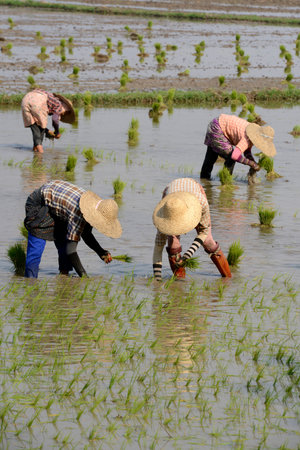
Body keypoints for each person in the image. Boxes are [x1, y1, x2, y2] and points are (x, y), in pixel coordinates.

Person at [24, 180, 122, 278]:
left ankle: (63, 278)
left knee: (63, 244)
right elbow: (71, 251)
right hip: (39, 203)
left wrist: (101, 252)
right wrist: (84, 276)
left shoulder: (91, 209)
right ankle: (30, 281)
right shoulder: (79, 213)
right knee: (37, 246)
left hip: (58, 206)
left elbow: (86, 234)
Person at [152, 178, 231, 281]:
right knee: (172, 243)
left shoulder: (201, 203)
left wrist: (187, 255)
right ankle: (180, 283)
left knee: (208, 241)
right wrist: (157, 279)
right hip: (170, 193)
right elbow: (158, 248)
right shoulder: (164, 213)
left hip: (194, 193)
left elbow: (204, 232)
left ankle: (228, 278)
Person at [200, 114, 276, 180]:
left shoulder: (252, 133)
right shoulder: (246, 139)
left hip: (215, 123)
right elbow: (235, 156)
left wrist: (253, 161)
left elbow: (247, 151)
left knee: (211, 157)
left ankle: (204, 180)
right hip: (218, 128)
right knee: (230, 158)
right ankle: (226, 181)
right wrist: (251, 164)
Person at [21, 89, 76, 153]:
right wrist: (57, 132)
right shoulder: (59, 105)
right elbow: (55, 120)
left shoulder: (52, 100)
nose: (62, 114)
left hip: (25, 99)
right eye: (64, 113)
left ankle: (35, 151)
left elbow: (38, 125)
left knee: (34, 125)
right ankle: (40, 154)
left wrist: (48, 131)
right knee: (40, 131)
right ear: (66, 110)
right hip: (38, 102)